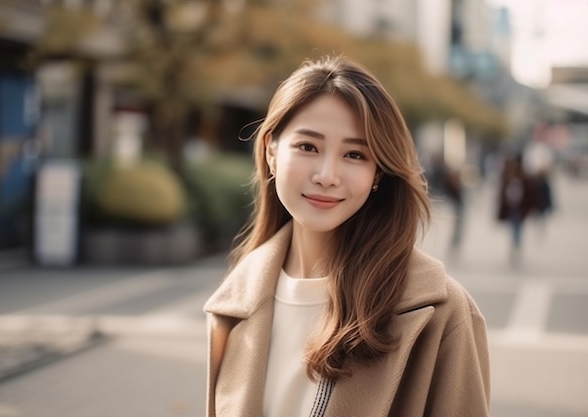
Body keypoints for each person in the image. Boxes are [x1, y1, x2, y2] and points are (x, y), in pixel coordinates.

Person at [203, 55, 490, 417]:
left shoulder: (440, 314)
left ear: (377, 175)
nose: (327, 175)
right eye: (308, 147)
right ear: (271, 151)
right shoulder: (236, 302)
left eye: (354, 154)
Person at [496, 153, 538, 263]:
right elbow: (502, 193)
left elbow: (531, 194)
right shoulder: (507, 177)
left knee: (517, 228)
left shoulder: (525, 178)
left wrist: (530, 208)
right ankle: (515, 245)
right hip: (511, 207)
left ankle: (517, 245)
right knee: (514, 228)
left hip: (520, 207)